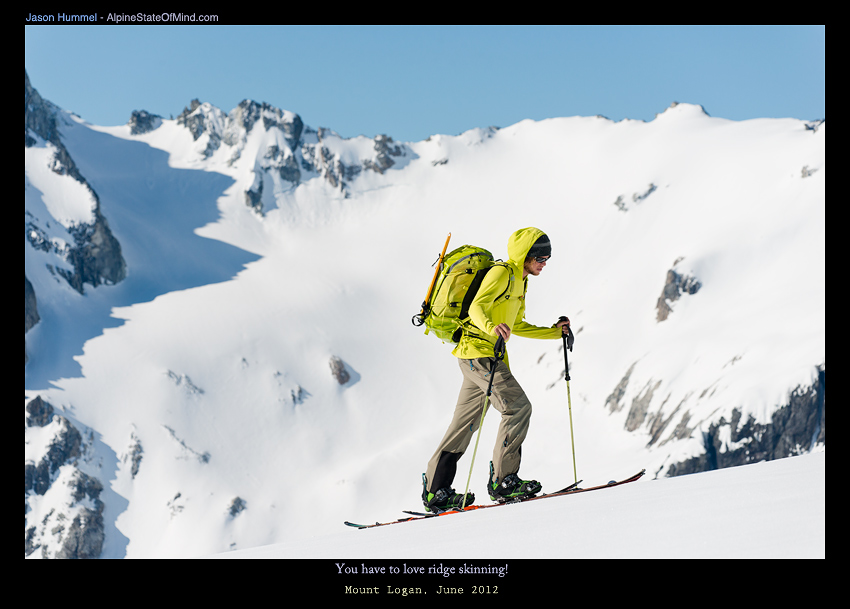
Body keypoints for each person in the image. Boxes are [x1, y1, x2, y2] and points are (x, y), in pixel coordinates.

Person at [422, 227, 571, 512]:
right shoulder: (502, 274)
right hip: (479, 355)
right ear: (525, 255)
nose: (544, 262)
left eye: (547, 257)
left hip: (481, 356)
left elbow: (515, 325)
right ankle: (504, 481)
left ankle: (435, 489)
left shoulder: (520, 282)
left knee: (464, 423)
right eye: (540, 256)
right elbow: (478, 307)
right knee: (517, 407)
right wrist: (491, 327)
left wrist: (554, 333)